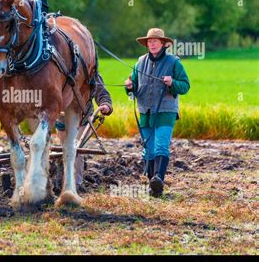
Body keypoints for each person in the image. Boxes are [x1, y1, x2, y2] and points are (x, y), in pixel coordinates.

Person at [125, 28, 190, 197]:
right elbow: (133, 87)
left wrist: (172, 83)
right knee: (148, 149)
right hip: (145, 112)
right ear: (146, 44)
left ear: (163, 43)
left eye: (155, 41)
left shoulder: (174, 62)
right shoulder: (139, 62)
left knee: (161, 145)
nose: (152, 43)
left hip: (166, 111)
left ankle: (158, 179)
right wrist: (130, 87)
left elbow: (185, 86)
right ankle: (152, 185)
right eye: (149, 41)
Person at [55, 71, 113, 188]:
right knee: (64, 150)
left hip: (82, 118)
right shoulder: (59, 71)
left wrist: (106, 104)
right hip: (61, 118)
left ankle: (75, 184)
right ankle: (61, 181)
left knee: (76, 150)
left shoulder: (89, 70)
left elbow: (102, 92)